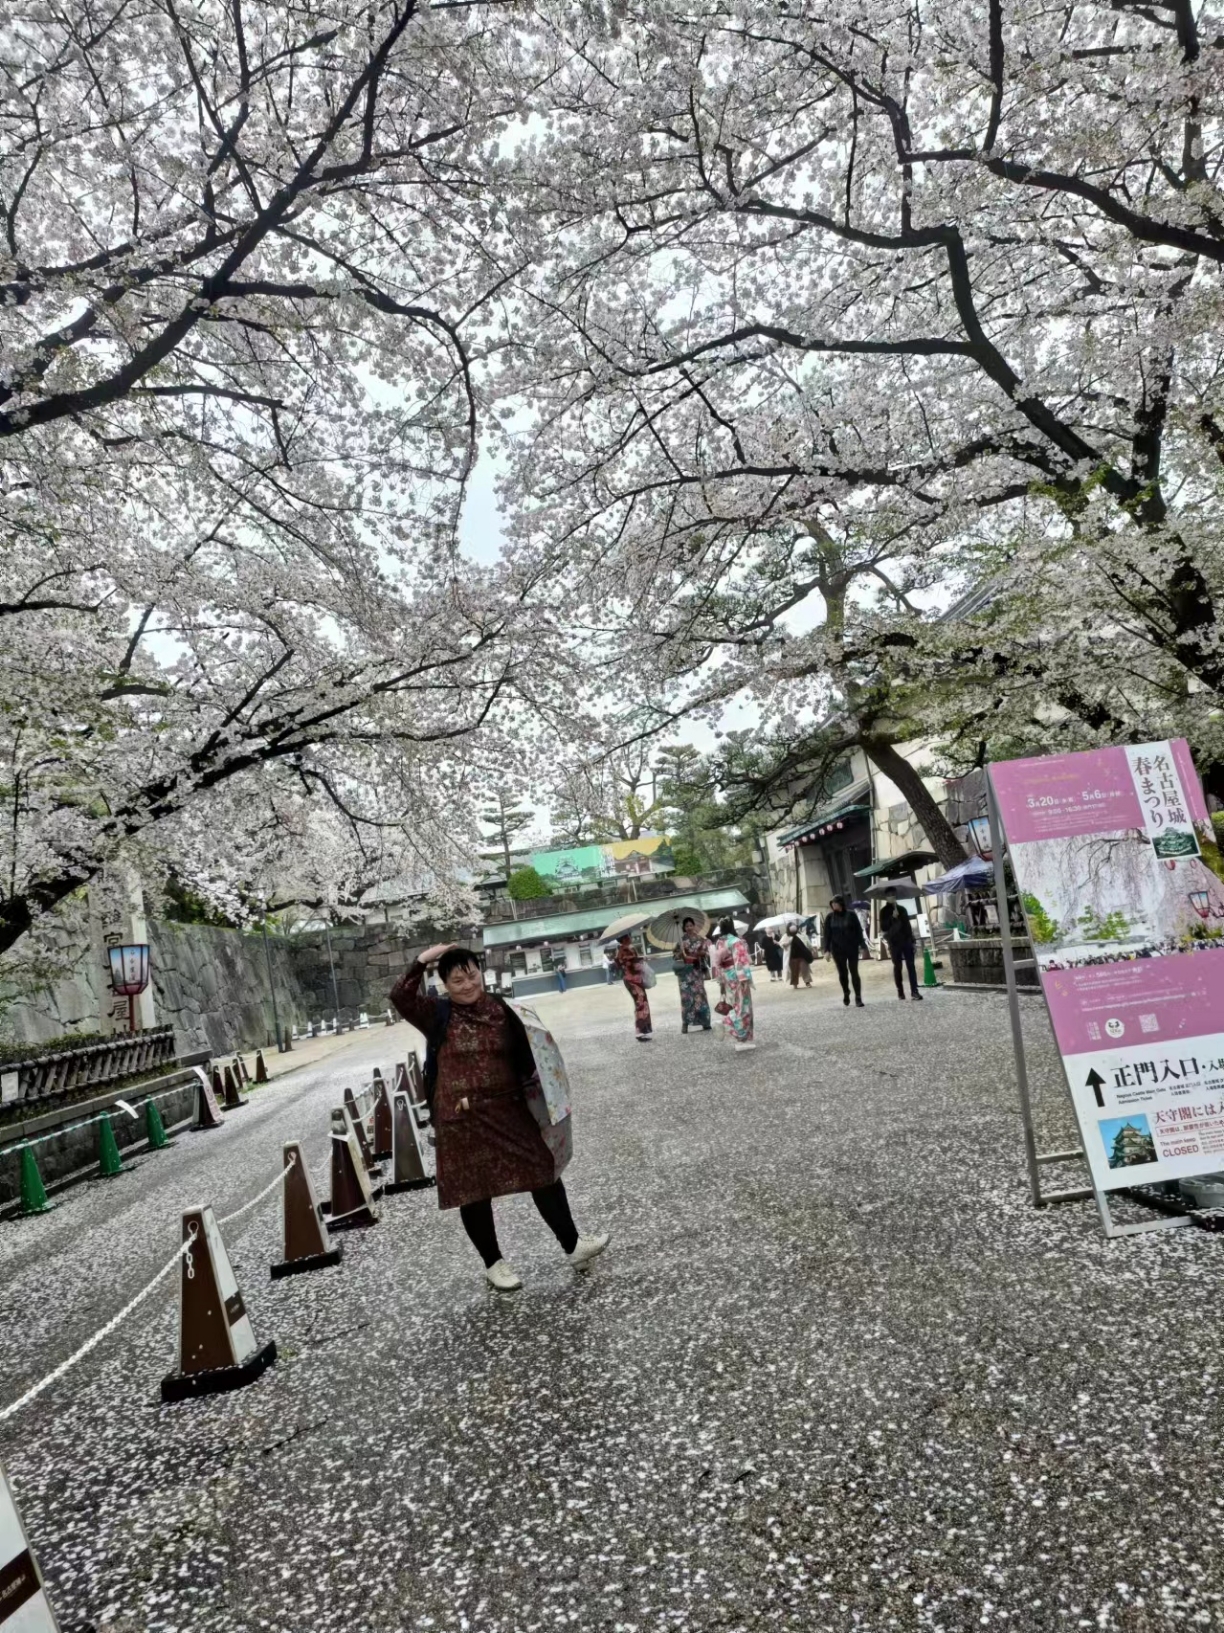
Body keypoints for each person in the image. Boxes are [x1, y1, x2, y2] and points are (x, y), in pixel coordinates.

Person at [390, 944, 608, 1292]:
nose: (467, 984)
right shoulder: (437, 1014)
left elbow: (531, 1055)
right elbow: (400, 996)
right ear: (445, 984)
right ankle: (493, 1263)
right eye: (457, 979)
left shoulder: (504, 1009)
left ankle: (573, 1245)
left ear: (482, 972)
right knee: (474, 1190)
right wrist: (422, 961)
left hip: (508, 1108)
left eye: (472, 974)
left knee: (542, 1169)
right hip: (460, 1119)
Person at [713, 917, 756, 1050]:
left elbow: (717, 963)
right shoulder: (736, 941)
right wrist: (744, 979)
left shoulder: (720, 942)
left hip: (726, 976)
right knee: (743, 1007)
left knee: (735, 1005)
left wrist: (720, 981)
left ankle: (740, 1036)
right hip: (738, 977)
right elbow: (741, 961)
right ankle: (733, 1030)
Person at [823, 895, 867, 1007]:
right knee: (843, 973)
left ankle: (858, 997)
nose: (833, 905)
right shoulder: (829, 917)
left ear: (841, 904)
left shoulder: (851, 915)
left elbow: (858, 931)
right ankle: (846, 992)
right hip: (837, 949)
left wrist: (863, 945)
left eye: (835, 903)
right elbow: (827, 935)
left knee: (854, 972)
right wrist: (826, 950)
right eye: (832, 904)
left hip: (852, 947)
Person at [880, 888, 924, 1002]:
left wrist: (913, 941)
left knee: (911, 966)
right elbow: (884, 927)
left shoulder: (902, 909)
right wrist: (892, 918)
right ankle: (900, 990)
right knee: (898, 966)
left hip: (906, 941)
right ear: (886, 897)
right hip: (894, 943)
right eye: (889, 895)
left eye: (893, 894)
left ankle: (914, 991)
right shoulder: (883, 911)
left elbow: (907, 926)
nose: (892, 897)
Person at [673, 917, 713, 1033]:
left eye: (691, 925)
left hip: (697, 970)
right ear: (684, 928)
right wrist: (681, 952)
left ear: (694, 926)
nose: (689, 928)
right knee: (686, 998)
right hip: (685, 974)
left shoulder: (701, 939)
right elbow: (675, 956)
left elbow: (706, 953)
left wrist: (702, 953)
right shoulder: (681, 941)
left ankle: (705, 1022)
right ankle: (685, 1023)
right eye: (687, 926)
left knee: (701, 995)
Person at [615, 932, 653, 1040]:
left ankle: (643, 1030)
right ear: (624, 938)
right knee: (641, 1003)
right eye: (628, 936)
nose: (630, 938)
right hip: (634, 979)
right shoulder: (627, 949)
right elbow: (633, 965)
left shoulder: (620, 950)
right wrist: (641, 961)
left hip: (629, 979)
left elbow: (619, 964)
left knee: (640, 1002)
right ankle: (640, 1031)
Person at [785, 922, 815, 988]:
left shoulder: (801, 935)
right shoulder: (786, 936)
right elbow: (782, 944)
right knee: (794, 970)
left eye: (794, 926)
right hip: (792, 956)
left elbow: (807, 943)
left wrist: (812, 949)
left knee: (805, 969)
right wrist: (786, 943)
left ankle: (807, 982)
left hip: (802, 955)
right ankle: (795, 984)